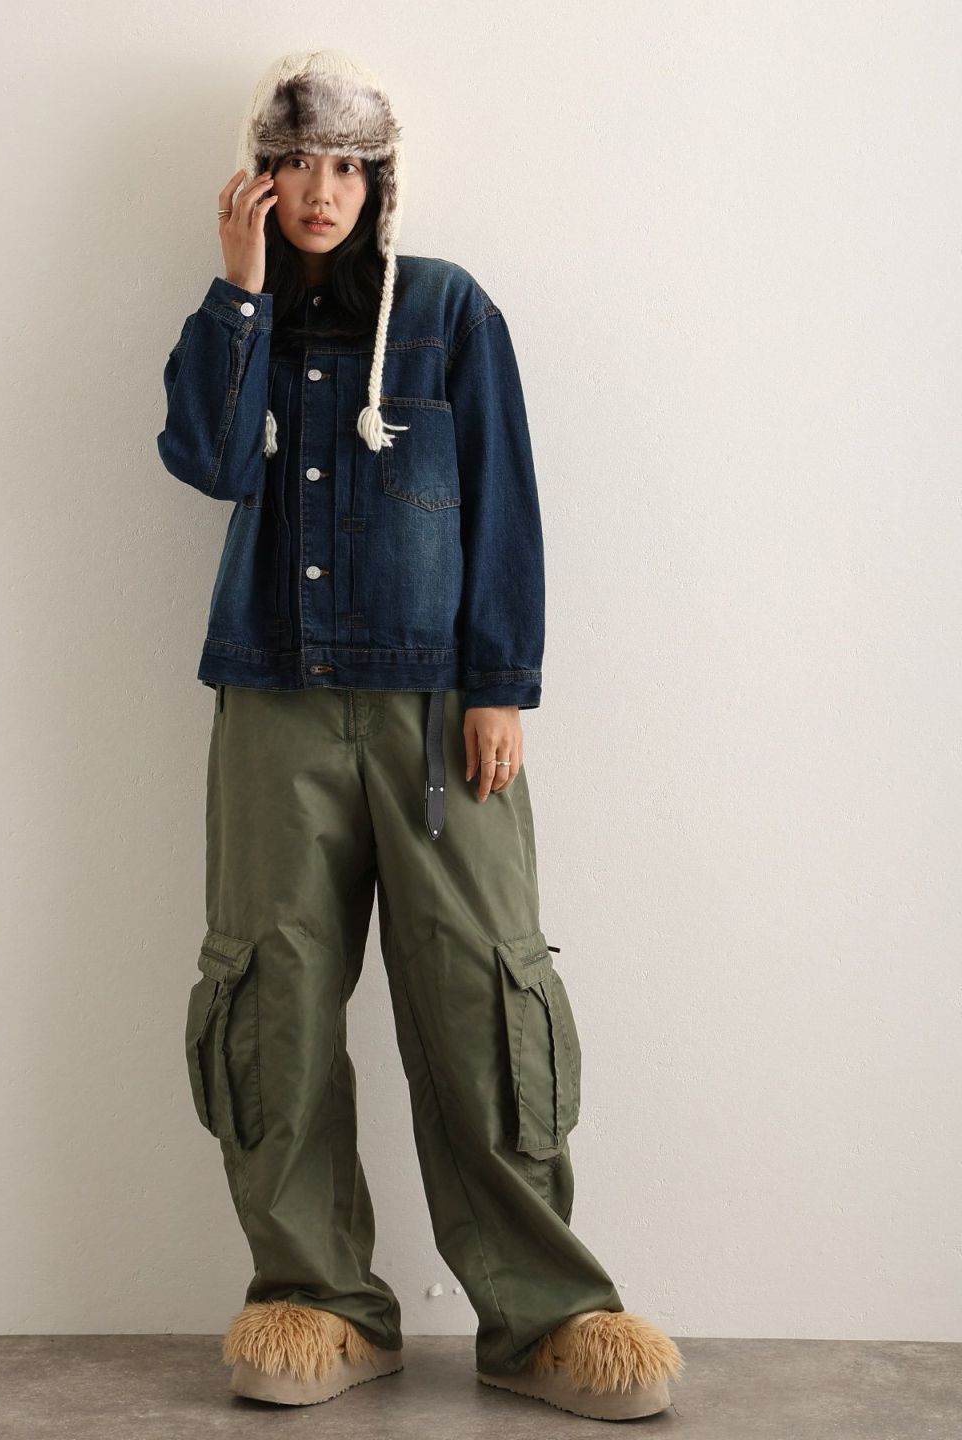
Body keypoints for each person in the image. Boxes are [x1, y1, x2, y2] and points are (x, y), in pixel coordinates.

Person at [156, 48, 684, 1421]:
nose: (319, 191)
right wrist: (237, 289)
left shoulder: (447, 309)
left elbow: (505, 497)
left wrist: (501, 681)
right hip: (273, 699)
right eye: (294, 164)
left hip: (441, 712)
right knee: (272, 993)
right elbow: (208, 461)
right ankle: (320, 1299)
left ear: (379, 181)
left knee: (482, 992)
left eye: (346, 166)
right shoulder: (243, 317)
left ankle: (545, 1314)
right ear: (259, 178)